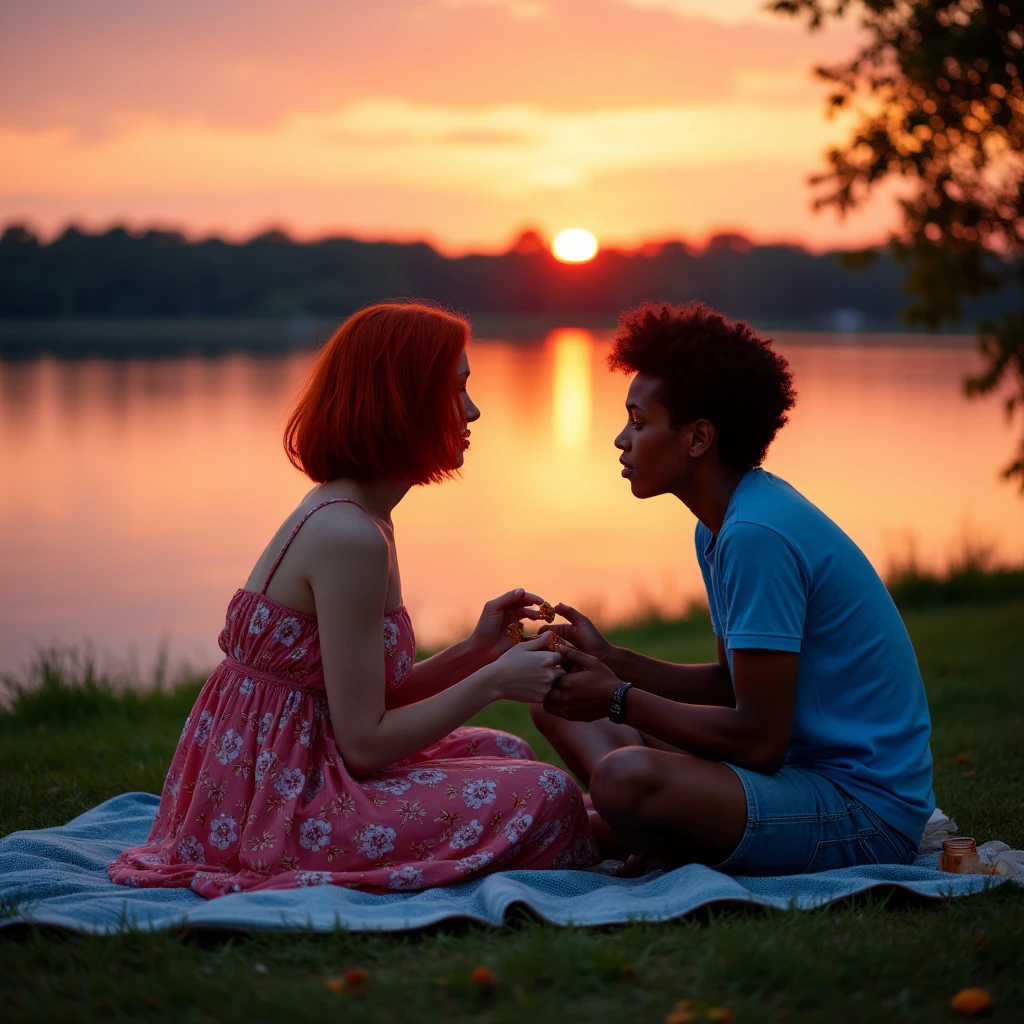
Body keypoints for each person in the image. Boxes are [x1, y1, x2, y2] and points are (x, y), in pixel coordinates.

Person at [109, 302, 597, 896]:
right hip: (276, 806)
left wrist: (478, 652)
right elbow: (365, 744)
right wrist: (495, 684)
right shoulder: (349, 535)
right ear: (404, 400)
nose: (473, 410)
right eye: (456, 390)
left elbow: (361, 700)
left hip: (293, 766)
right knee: (547, 794)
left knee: (506, 748)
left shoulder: (363, 518)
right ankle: (628, 824)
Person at [531, 301, 935, 876]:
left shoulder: (755, 535)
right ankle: (648, 826)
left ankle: (637, 826)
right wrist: (612, 660)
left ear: (698, 438)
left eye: (639, 423)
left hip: (861, 812)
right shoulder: (721, 525)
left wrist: (618, 696)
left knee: (622, 777)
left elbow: (759, 740)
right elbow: (729, 686)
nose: (621, 439)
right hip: (788, 776)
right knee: (559, 705)